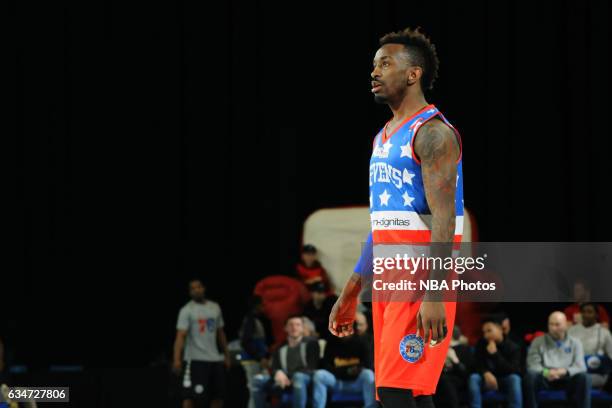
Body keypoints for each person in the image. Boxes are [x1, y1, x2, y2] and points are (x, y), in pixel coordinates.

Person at [329, 27, 464, 408]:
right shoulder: (382, 138)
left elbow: (445, 219)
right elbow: (383, 225)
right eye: (373, 65)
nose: (374, 72)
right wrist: (352, 289)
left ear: (413, 73)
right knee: (408, 393)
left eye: (385, 64)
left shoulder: (434, 133)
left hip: (421, 281)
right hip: (389, 281)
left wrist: (435, 292)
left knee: (396, 393)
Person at [173, 279, 230, 408]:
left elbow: (220, 333)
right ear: (190, 292)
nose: (196, 290)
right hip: (195, 360)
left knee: (219, 396)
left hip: (215, 359)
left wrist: (226, 355)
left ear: (203, 288)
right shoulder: (187, 310)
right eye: (192, 289)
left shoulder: (215, 307)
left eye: (198, 287)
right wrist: (177, 359)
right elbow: (180, 336)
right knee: (190, 397)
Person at [524, 311, 590, 408]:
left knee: (585, 377)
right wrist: (547, 372)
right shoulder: (538, 341)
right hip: (546, 377)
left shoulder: (575, 343)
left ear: (566, 325)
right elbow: (532, 364)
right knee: (530, 376)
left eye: (557, 324)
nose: (553, 328)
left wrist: (564, 371)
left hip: (567, 377)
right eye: (551, 324)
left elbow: (581, 366)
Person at [252, 315, 319, 408]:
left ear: (302, 328)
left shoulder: (311, 343)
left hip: (304, 379)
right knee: (257, 380)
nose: (294, 327)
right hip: (284, 380)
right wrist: (278, 373)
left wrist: (289, 377)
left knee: (298, 377)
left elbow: (312, 367)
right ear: (285, 328)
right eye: (291, 325)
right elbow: (275, 367)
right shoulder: (280, 347)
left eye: (297, 325)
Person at [312, 329, 376, 408]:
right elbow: (326, 365)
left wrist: (357, 370)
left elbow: (368, 364)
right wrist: (344, 371)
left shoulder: (361, 342)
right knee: (319, 375)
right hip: (337, 381)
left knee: (368, 374)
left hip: (356, 382)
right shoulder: (332, 342)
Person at [468, 316, 522, 408]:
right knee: (474, 378)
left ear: (500, 329)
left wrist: (495, 354)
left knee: (514, 378)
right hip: (486, 380)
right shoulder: (481, 343)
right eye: (484, 332)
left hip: (504, 379)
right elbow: (476, 364)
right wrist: (485, 373)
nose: (486, 335)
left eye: (489, 331)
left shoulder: (513, 347)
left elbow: (514, 369)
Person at [239, 295, 274, 408]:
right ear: (257, 306)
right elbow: (246, 342)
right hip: (252, 361)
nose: (263, 307)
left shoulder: (257, 319)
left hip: (257, 360)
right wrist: (260, 357)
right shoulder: (250, 320)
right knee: (255, 390)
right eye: (262, 305)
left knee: (262, 391)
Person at [568, 302, 612, 388]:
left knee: (583, 380)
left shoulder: (605, 332)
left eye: (589, 312)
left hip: (596, 372)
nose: (586, 314)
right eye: (583, 312)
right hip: (576, 370)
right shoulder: (571, 331)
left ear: (596, 315)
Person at [433, 326, 473, 408]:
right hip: (441, 378)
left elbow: (465, 373)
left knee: (445, 380)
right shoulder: (438, 348)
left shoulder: (464, 349)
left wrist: (454, 359)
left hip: (457, 378)